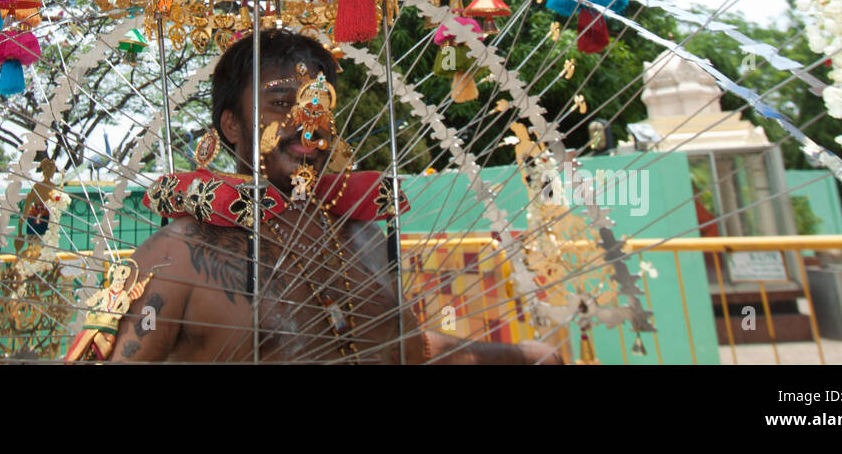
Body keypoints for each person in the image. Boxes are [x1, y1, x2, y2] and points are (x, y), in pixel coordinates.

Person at [74, 29, 561, 364]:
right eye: (282, 103)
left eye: (319, 103)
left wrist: (527, 356)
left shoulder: (365, 238)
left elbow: (403, 351)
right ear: (231, 125)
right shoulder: (176, 254)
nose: (307, 121)